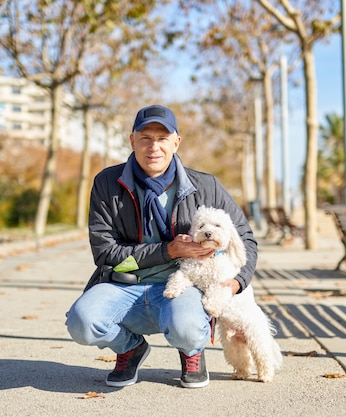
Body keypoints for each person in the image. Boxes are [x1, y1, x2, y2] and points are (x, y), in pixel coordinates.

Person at [66, 104, 257, 389]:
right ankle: (130, 349)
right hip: (123, 283)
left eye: (162, 138)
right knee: (82, 322)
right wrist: (168, 251)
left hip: (185, 287)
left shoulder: (206, 185)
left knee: (189, 330)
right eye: (145, 138)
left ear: (176, 142)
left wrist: (235, 284)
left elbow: (246, 240)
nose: (153, 147)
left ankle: (191, 349)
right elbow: (106, 254)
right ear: (132, 141)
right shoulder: (107, 183)